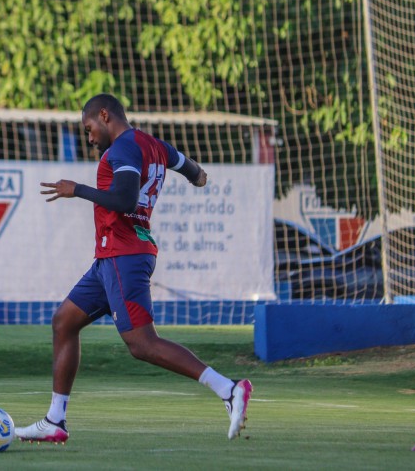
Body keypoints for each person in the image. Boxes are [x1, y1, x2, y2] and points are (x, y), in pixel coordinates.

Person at [15, 94, 252, 444]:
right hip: (112, 256)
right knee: (64, 322)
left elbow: (125, 199)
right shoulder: (153, 144)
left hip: (123, 255)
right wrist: (199, 177)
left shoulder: (123, 149)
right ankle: (55, 420)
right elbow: (192, 170)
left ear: (105, 116)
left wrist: (76, 189)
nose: (90, 137)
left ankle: (228, 389)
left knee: (142, 344)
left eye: (90, 128)